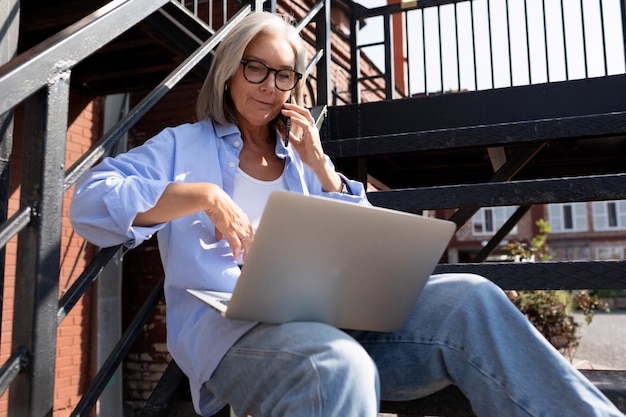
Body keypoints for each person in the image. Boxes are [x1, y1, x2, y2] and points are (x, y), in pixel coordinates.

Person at [70, 11, 625, 417]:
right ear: (230, 74)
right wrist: (202, 197)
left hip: (337, 322)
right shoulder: (181, 145)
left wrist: (323, 168)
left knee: (471, 297)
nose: (269, 86)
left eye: (284, 74)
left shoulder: (304, 157)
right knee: (337, 365)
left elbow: (361, 249)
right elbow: (89, 202)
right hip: (238, 338)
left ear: (297, 85)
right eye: (256, 69)